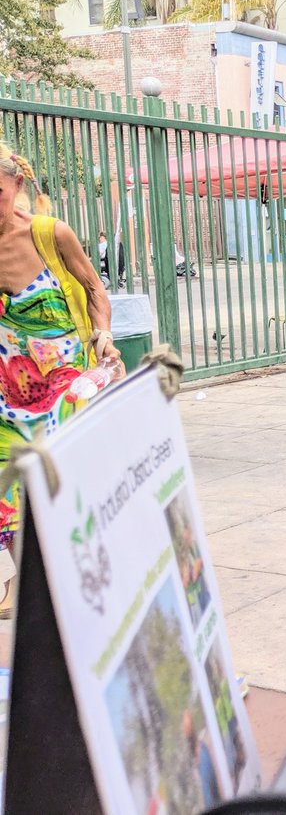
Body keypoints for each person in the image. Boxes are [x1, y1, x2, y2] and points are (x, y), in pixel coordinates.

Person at [0, 141, 122, 614]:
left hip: (64, 385)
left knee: (66, 483)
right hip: (7, 391)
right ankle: (27, 587)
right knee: (6, 489)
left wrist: (105, 334)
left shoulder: (51, 234)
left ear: (19, 185)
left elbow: (94, 287)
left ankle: (87, 574)